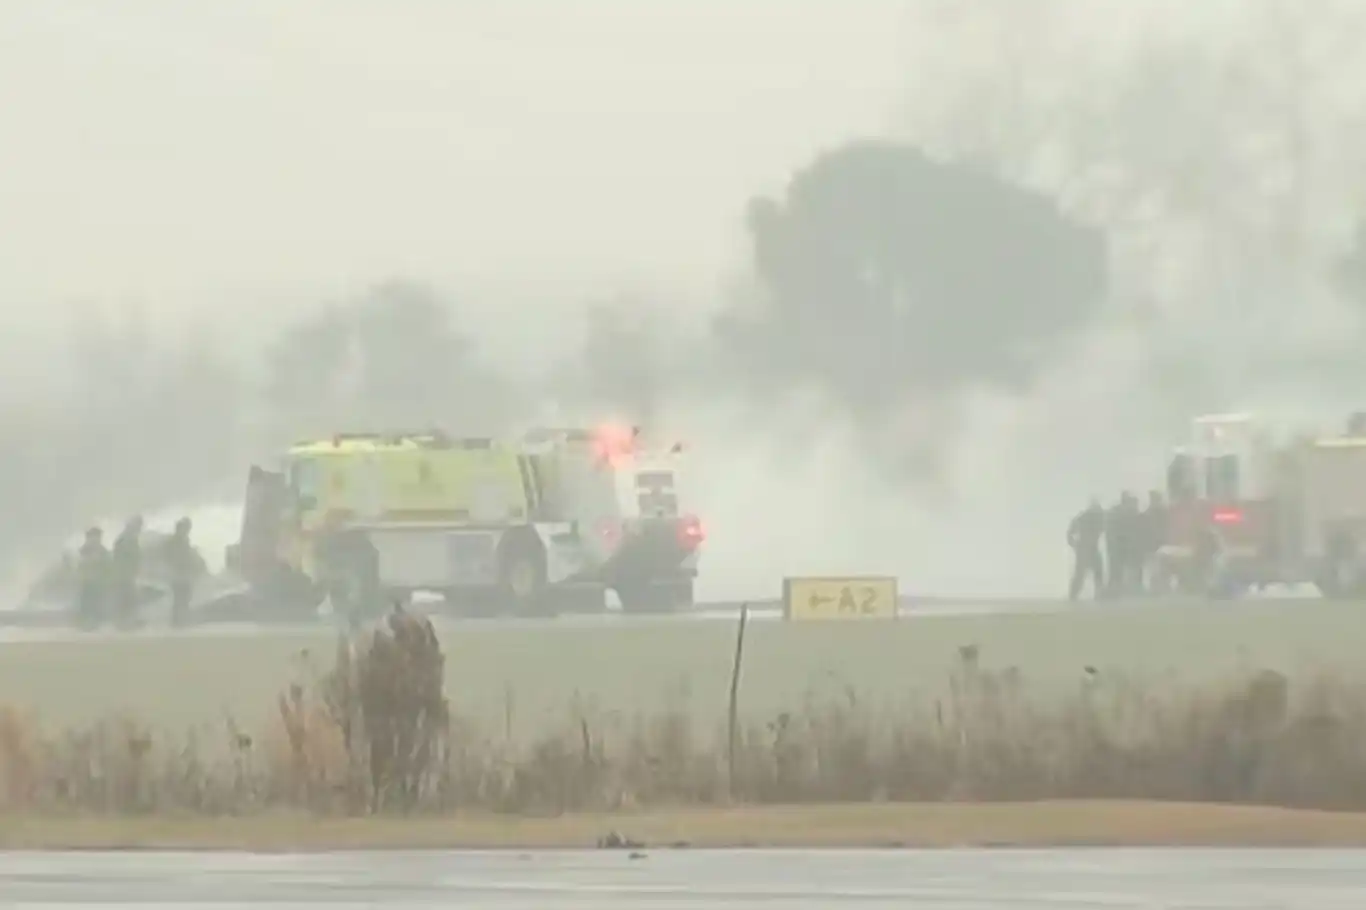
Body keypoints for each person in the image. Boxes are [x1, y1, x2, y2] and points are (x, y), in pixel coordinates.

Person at [161, 516, 204, 627]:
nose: (188, 531)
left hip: (183, 574)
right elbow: (170, 557)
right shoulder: (174, 542)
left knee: (184, 597)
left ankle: (181, 620)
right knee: (180, 597)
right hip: (178, 574)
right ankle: (177, 621)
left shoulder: (184, 540)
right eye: (186, 528)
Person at [1067, 498, 1106, 601]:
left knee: (1098, 572)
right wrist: (1073, 544)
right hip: (1083, 549)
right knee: (1080, 574)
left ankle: (1099, 595)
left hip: (1092, 548)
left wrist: (1073, 543)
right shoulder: (1083, 517)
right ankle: (1073, 595)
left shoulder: (1099, 517)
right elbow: (1070, 532)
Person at [110, 515, 144, 625]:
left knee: (128, 598)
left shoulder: (128, 538)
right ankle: (125, 622)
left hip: (127, 574)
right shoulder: (126, 539)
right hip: (124, 574)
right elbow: (125, 557)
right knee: (127, 598)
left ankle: (127, 621)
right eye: (138, 526)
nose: (140, 529)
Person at [74, 527, 110, 627]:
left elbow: (107, 563)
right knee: (86, 602)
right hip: (87, 580)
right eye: (95, 536)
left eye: (98, 537)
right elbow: (80, 565)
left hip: (98, 580)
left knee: (96, 601)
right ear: (89, 537)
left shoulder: (102, 550)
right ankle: (85, 622)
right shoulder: (84, 550)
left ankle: (94, 622)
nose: (97, 539)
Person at [1140, 490, 1168, 594]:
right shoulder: (1153, 512)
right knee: (1155, 568)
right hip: (1154, 544)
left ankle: (1157, 588)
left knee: (1157, 568)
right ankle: (1156, 588)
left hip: (1157, 544)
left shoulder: (1151, 512)